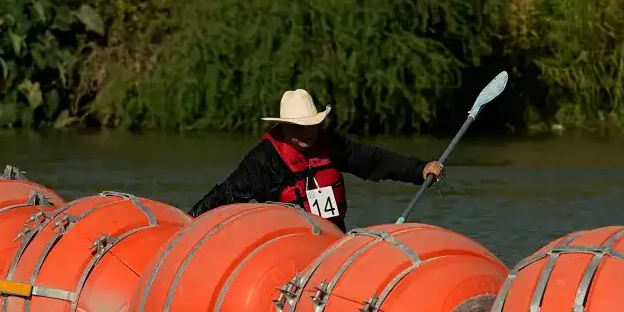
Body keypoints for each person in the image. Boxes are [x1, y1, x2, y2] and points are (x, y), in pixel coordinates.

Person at [187, 89, 445, 232]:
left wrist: (419, 169)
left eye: (311, 125)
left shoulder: (329, 143)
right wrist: (188, 224)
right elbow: (227, 194)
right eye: (299, 128)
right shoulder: (265, 158)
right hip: (290, 247)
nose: (307, 133)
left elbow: (374, 160)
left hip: (333, 241)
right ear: (284, 126)